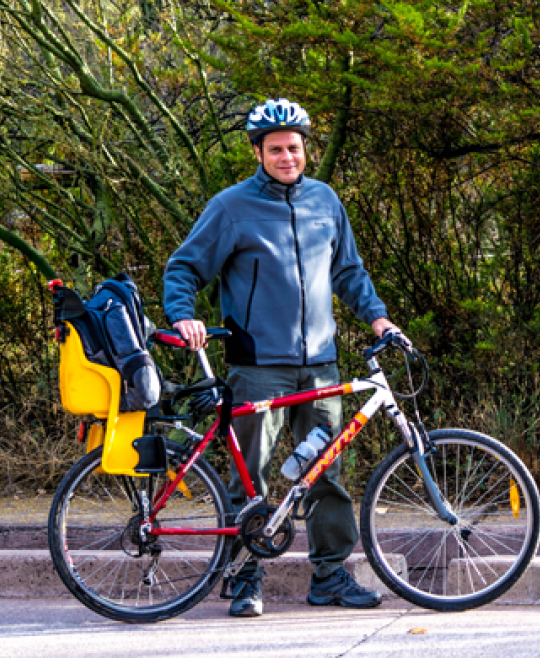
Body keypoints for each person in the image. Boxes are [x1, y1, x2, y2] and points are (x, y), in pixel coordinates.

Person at [163, 98, 402, 617]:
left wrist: (378, 317)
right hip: (257, 367)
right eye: (275, 149)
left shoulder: (324, 201)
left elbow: (349, 272)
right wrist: (183, 314)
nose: (287, 157)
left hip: (320, 362)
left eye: (294, 147)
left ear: (305, 149)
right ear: (257, 152)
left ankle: (331, 577)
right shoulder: (231, 207)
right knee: (252, 474)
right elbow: (183, 269)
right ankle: (243, 578)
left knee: (324, 472)